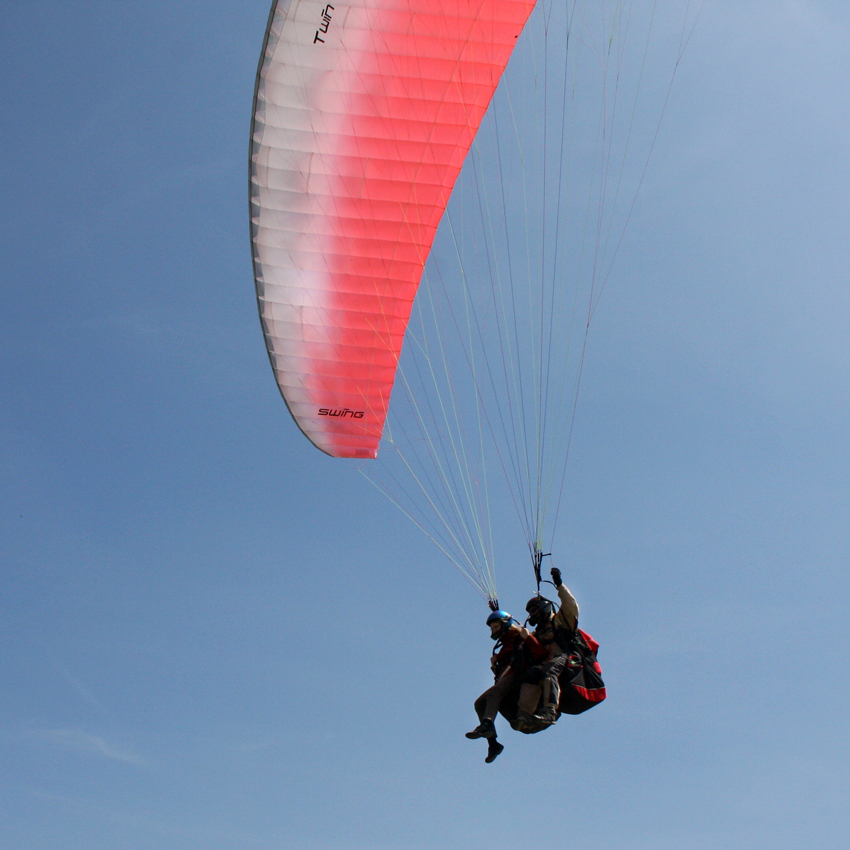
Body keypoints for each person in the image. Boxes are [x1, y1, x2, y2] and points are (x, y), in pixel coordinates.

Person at [466, 609, 547, 762]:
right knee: (479, 704)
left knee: (494, 693)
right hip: (507, 677)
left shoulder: (520, 637)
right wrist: (494, 664)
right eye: (492, 629)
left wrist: (527, 637)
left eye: (496, 627)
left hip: (518, 675)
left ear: (505, 624)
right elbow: (500, 675)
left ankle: (487, 723)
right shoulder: (504, 646)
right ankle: (493, 744)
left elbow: (540, 653)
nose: (494, 631)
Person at [512, 566, 579, 733]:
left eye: (534, 610)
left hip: (564, 657)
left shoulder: (560, 622)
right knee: (531, 675)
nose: (531, 615)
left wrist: (559, 585)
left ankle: (549, 711)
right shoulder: (538, 632)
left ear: (543, 607)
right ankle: (524, 715)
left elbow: (571, 606)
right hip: (546, 660)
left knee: (549, 672)